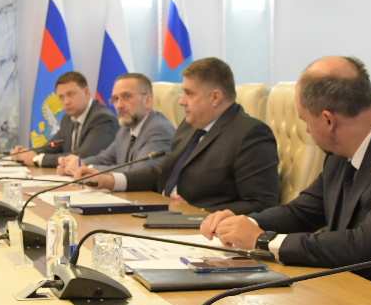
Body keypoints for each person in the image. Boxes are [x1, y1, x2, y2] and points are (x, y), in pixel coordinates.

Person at [199, 56, 371, 300]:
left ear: (328, 120)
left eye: (305, 121)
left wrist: (262, 240)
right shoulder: (342, 152)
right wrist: (246, 223)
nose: (308, 131)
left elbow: (365, 246)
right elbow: (303, 211)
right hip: (352, 295)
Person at [79, 57, 280, 215]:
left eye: (189, 93)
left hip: (204, 229)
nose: (181, 101)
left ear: (215, 97)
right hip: (163, 212)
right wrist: (111, 180)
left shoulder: (250, 134)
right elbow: (161, 172)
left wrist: (198, 212)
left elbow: (262, 204)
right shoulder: (190, 126)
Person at [55, 72, 176, 177]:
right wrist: (73, 165)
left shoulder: (159, 129)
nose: (119, 105)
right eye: (116, 99)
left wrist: (86, 168)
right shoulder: (125, 129)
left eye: (127, 97)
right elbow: (104, 159)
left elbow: (139, 172)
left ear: (148, 101)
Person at [11, 70, 116, 168]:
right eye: (61, 97)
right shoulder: (68, 118)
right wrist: (27, 153)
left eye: (71, 94)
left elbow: (84, 156)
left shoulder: (102, 118)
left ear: (86, 92)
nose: (66, 102)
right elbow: (54, 145)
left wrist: (38, 159)